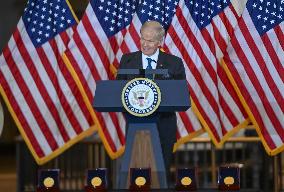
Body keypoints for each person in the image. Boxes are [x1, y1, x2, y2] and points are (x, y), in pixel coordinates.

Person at [117, 20, 186, 185]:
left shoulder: (174, 63)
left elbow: (181, 96)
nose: (145, 44)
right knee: (136, 179)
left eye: (150, 41)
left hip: (164, 128)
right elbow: (118, 93)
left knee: (160, 179)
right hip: (136, 128)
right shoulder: (127, 60)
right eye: (142, 39)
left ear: (159, 42)